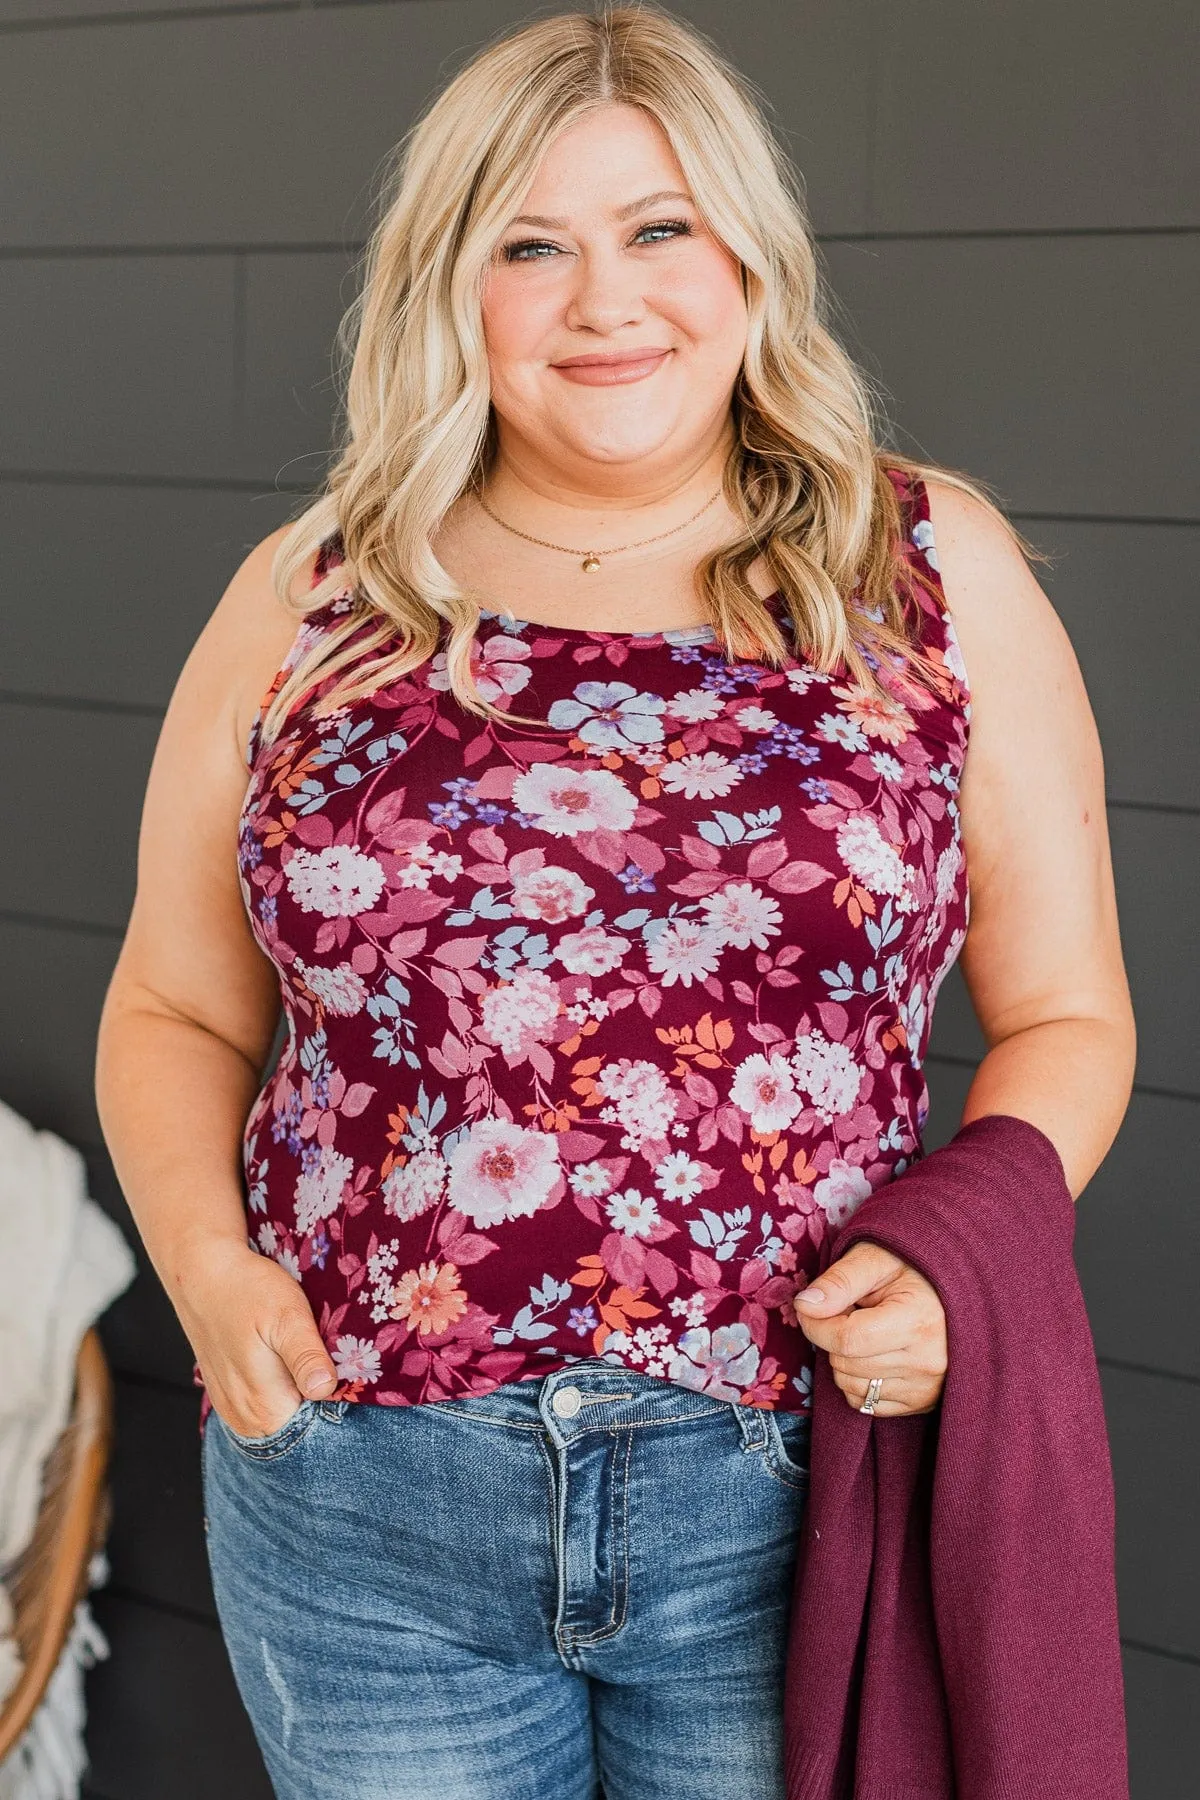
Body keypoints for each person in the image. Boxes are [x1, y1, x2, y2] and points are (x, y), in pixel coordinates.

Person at [93, 7, 1135, 1798]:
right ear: (452, 284)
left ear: (746, 257)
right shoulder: (312, 595)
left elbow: (1070, 1018)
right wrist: (203, 1270)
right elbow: (175, 1008)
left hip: (787, 1489)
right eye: (531, 244)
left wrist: (959, 1268)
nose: (605, 301)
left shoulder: (924, 570)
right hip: (361, 1502)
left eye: (660, 228)